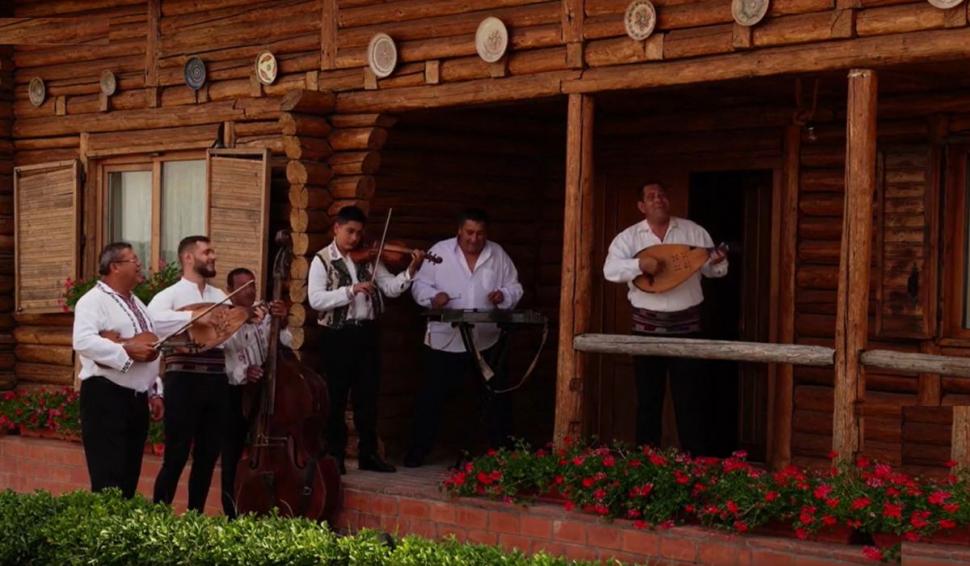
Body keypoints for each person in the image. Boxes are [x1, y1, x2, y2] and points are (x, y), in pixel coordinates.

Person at [603, 182, 728, 455]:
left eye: (661, 195)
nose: (658, 199)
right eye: (651, 196)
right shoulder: (629, 238)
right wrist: (639, 265)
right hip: (647, 328)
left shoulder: (693, 231)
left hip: (688, 327)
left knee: (690, 400)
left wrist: (718, 262)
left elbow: (712, 270)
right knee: (648, 399)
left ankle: (695, 462)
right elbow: (610, 270)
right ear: (641, 206)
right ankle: (646, 462)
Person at [308, 205, 425, 474]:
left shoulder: (370, 259)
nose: (355, 239)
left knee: (368, 397)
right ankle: (335, 455)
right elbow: (316, 300)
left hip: (367, 333)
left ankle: (368, 454)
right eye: (350, 232)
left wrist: (411, 270)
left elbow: (391, 289)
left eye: (359, 233)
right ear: (337, 228)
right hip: (337, 335)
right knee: (336, 398)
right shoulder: (322, 260)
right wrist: (350, 290)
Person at [404, 208, 523, 468]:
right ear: (459, 230)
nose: (474, 238)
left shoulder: (497, 254)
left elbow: (515, 286)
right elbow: (419, 285)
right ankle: (417, 453)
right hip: (444, 340)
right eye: (469, 232)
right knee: (431, 398)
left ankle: (503, 453)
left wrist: (503, 295)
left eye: (480, 233)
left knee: (494, 396)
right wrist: (433, 298)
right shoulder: (440, 252)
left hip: (486, 340)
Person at [72, 242, 170, 498]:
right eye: (133, 260)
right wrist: (125, 349)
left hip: (135, 401)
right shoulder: (92, 301)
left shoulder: (138, 304)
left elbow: (151, 348)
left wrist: (154, 392)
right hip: (105, 397)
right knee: (108, 481)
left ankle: (120, 535)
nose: (139, 264)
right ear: (115, 267)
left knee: (128, 479)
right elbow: (82, 341)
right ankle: (103, 537)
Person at [149, 235, 231, 512]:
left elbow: (228, 338)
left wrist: (242, 320)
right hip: (182, 380)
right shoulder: (169, 295)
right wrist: (193, 318)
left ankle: (195, 515)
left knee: (208, 455)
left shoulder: (219, 296)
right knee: (176, 453)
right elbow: (153, 324)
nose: (213, 257)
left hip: (216, 380)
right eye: (207, 252)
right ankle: (158, 515)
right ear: (188, 258)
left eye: (212, 251)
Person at [218, 267, 288, 518]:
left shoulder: (263, 311)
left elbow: (284, 342)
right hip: (235, 392)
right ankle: (231, 510)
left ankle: (269, 504)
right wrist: (243, 373)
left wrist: (282, 320)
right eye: (243, 287)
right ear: (230, 291)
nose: (250, 291)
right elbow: (223, 352)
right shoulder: (223, 316)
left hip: (264, 389)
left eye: (253, 286)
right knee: (232, 452)